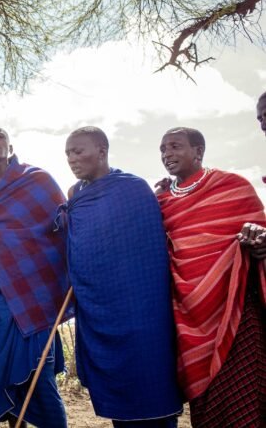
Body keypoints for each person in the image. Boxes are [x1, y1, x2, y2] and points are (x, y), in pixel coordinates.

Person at [60, 126, 182, 427]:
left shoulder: (133, 189)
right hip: (98, 309)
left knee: (151, 379)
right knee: (117, 390)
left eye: (79, 151)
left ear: (102, 151)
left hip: (142, 307)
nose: (72, 159)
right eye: (67, 154)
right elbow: (77, 245)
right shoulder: (76, 196)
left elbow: (150, 248)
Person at [155, 127, 266, 427]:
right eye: (163, 149)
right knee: (206, 410)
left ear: (199, 151)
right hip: (189, 319)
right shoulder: (162, 202)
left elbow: (261, 241)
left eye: (175, 146)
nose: (167, 154)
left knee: (246, 404)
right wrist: (154, 200)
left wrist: (258, 243)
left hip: (235, 311)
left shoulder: (233, 187)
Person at [0, 126, 70, 427]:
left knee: (41, 377)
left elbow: (62, 229)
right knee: (2, 377)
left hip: (31, 295)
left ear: (11, 148)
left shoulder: (36, 181)